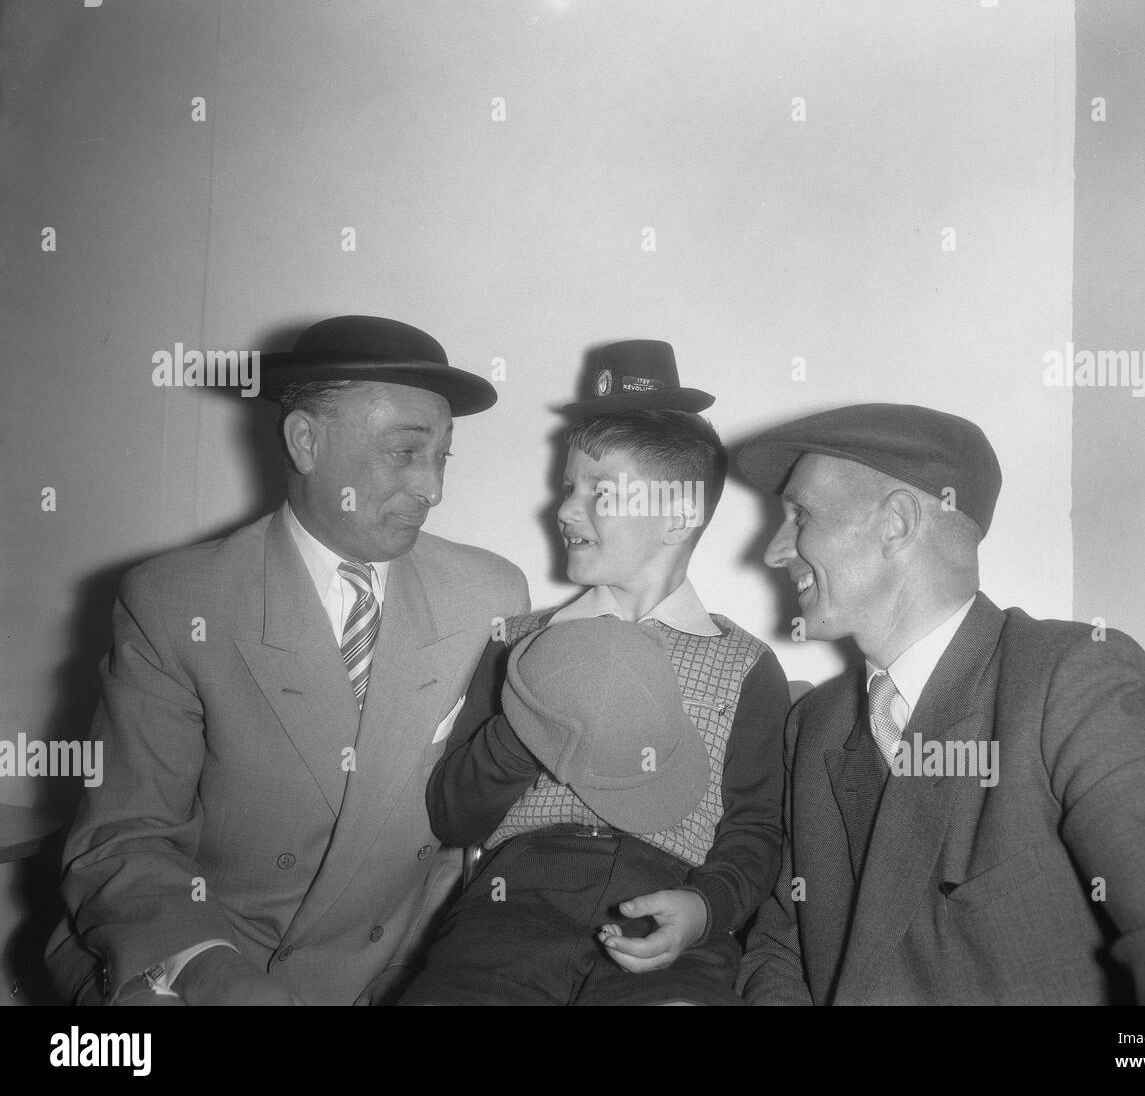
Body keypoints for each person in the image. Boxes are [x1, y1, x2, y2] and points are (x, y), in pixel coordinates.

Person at [734, 403, 1145, 1005]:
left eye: (800, 515)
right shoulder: (815, 726)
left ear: (896, 523)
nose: (772, 551)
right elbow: (780, 946)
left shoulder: (1069, 677)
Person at [46, 315, 529, 1005]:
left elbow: (470, 835)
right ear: (305, 440)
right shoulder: (177, 601)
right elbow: (125, 838)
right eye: (404, 452)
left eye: (443, 456)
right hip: (203, 958)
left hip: (395, 973)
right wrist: (212, 971)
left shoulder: (490, 594)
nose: (433, 488)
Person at [399, 340, 788, 1005]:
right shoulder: (523, 642)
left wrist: (705, 909)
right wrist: (533, 717)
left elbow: (757, 829)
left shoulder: (745, 663)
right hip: (513, 908)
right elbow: (452, 812)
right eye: (568, 487)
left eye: (600, 492)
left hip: (671, 926)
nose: (566, 509)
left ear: (679, 514)